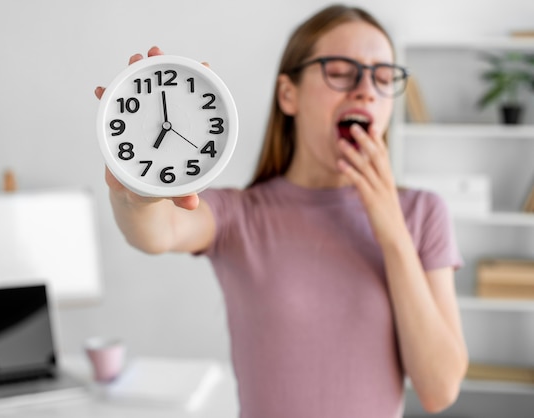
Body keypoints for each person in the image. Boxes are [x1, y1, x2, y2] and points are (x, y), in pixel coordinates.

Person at [94, 4, 468, 417]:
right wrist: (138, 193)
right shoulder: (241, 215)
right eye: (341, 71)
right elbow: (155, 233)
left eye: (383, 77)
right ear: (289, 94)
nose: (366, 91)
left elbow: (439, 390)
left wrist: (393, 234)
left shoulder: (422, 214)